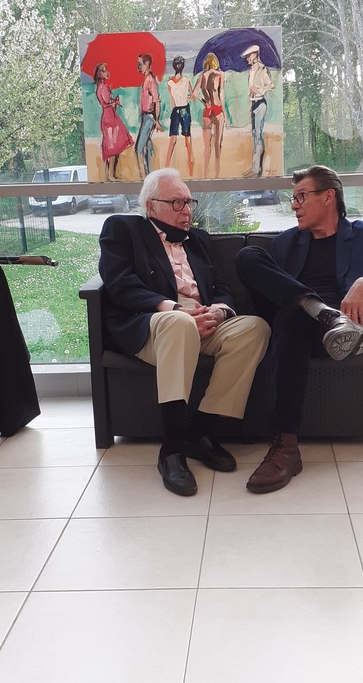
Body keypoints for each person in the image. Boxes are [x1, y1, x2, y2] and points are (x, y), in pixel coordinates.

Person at [236, 164, 363, 494]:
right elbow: (269, 290)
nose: (294, 205)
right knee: (249, 258)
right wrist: (310, 305)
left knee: (290, 321)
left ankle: (285, 447)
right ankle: (319, 311)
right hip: (294, 318)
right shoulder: (286, 242)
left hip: (343, 327)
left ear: (328, 197)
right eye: (293, 198)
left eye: (301, 196)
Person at [99, 167, 270, 497]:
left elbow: (220, 287)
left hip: (202, 322)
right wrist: (176, 309)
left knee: (255, 328)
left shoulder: (199, 240)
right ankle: (172, 449)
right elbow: (120, 284)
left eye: (189, 202)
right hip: (154, 323)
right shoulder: (122, 229)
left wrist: (218, 311)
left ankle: (199, 431)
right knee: (179, 324)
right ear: (151, 206)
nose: (187, 211)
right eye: (177, 203)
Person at [93, 62, 133, 181]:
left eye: (106, 70)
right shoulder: (102, 87)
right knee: (112, 146)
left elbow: (106, 101)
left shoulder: (102, 86)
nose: (107, 72)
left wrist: (113, 102)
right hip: (109, 117)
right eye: (104, 71)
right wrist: (114, 102)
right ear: (100, 74)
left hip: (110, 115)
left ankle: (111, 174)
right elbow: (106, 102)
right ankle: (110, 175)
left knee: (114, 145)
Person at [192, 52, 228, 178]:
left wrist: (204, 102)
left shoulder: (202, 76)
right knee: (218, 143)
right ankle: (217, 172)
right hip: (217, 109)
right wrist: (225, 113)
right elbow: (221, 94)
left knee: (207, 146)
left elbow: (194, 93)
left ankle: (205, 173)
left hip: (207, 110)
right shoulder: (220, 74)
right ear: (215, 63)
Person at [241, 44, 274, 177]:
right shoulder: (251, 71)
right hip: (253, 103)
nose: (247, 59)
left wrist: (259, 90)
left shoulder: (262, 69)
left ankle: (257, 168)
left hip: (260, 103)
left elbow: (271, 85)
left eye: (249, 56)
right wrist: (251, 92)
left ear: (254, 55)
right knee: (254, 134)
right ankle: (255, 167)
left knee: (258, 135)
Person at [165, 56, 195, 175]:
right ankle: (190, 165)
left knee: (173, 139)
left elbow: (172, 103)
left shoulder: (169, 83)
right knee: (187, 139)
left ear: (174, 66)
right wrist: (185, 98)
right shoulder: (187, 80)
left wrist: (179, 99)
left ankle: (166, 165)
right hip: (185, 109)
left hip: (176, 110)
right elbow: (192, 97)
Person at [135, 54, 163, 178]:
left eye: (140, 64)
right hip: (145, 116)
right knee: (147, 149)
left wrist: (157, 120)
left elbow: (157, 101)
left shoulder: (151, 80)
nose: (138, 67)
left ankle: (144, 177)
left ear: (147, 64)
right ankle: (149, 175)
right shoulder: (147, 79)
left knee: (139, 149)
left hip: (149, 117)